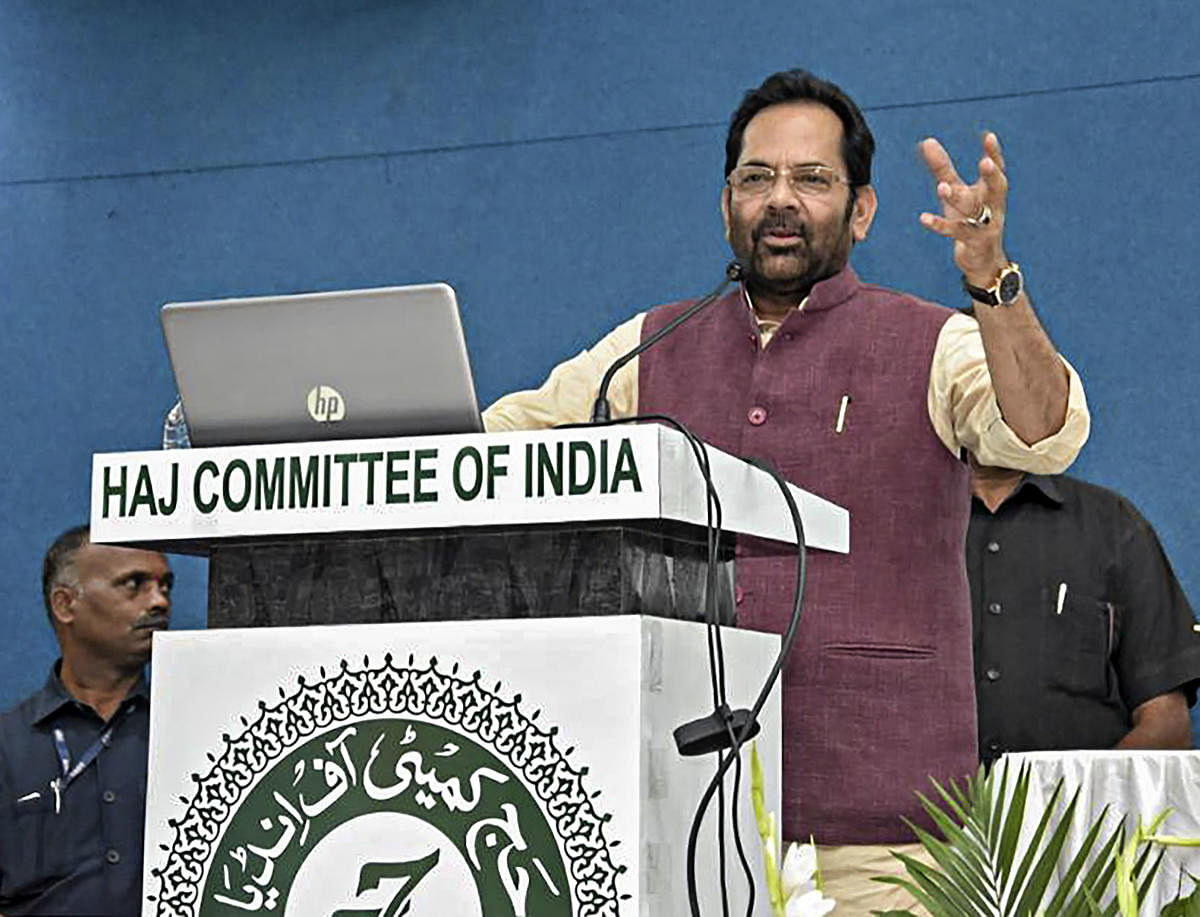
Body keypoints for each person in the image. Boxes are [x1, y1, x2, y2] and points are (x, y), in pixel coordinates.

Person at [483, 69, 1090, 907]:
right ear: (725, 202)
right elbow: (499, 446)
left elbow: (1042, 432)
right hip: (681, 817)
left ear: (863, 210)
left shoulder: (937, 342)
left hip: (887, 831)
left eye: (812, 179)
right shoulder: (650, 345)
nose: (781, 200)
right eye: (756, 177)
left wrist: (992, 280)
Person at [969, 461, 1199, 763]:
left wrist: (1087, 801)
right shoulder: (895, 527)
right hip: (915, 809)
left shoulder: (1112, 524)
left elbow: (1167, 723)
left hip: (1090, 808)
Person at [0, 525, 173, 916]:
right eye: (134, 584)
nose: (159, 601)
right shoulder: (7, 746)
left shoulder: (192, 732)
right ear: (65, 605)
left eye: (166, 586)